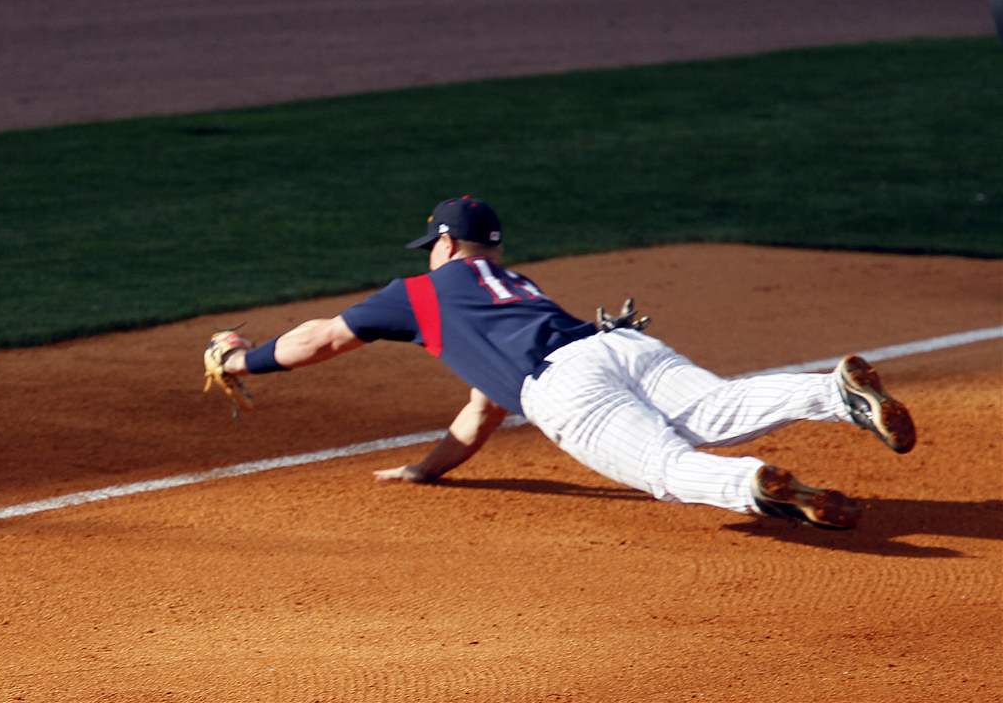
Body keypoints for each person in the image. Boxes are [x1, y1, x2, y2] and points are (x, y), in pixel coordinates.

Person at [216, 196, 916, 529]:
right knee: (713, 408)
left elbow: (318, 338)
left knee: (668, 469)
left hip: (568, 385)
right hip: (616, 344)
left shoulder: (421, 294)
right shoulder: (518, 287)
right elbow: (481, 407)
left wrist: (244, 360)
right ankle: (833, 394)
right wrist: (425, 469)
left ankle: (752, 486)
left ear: (444, 245)